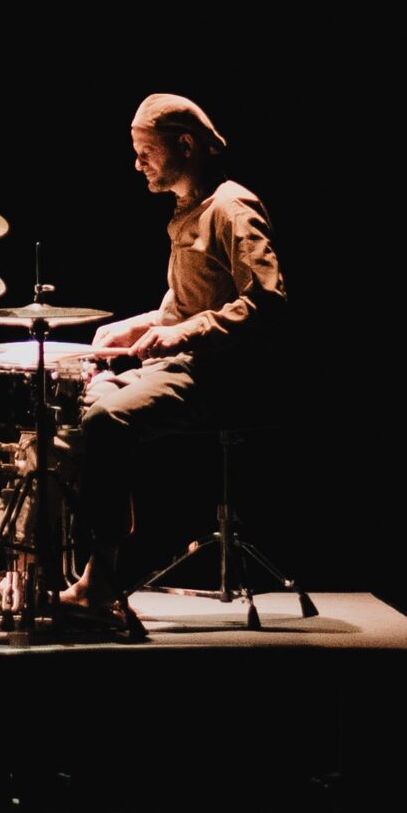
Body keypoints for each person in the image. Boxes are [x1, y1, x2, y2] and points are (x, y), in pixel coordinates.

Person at [60, 93, 289, 619]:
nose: (137, 163)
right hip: (188, 366)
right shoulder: (189, 211)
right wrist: (137, 325)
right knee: (74, 404)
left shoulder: (232, 208)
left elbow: (267, 301)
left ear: (185, 145)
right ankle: (40, 569)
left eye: (146, 152)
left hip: (225, 374)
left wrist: (182, 333)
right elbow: (189, 301)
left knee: (108, 418)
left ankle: (101, 584)